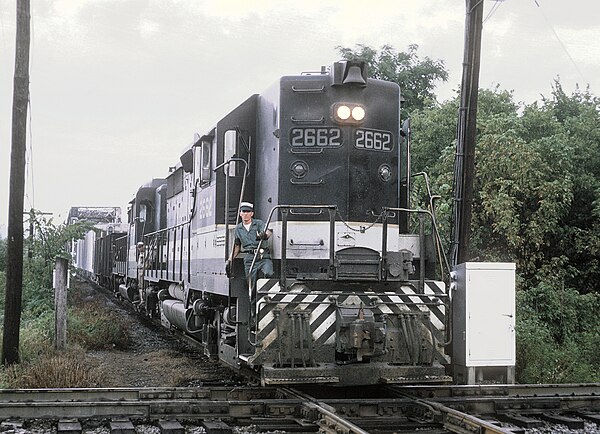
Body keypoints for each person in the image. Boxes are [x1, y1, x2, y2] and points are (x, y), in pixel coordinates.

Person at [227, 202, 274, 284]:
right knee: (250, 281)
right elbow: (237, 247)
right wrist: (229, 261)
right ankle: (252, 296)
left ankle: (266, 294)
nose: (246, 214)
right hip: (249, 258)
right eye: (243, 211)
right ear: (240, 213)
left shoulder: (259, 223)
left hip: (263, 256)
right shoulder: (238, 229)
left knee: (268, 273)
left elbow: (269, 232)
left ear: (252, 213)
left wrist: (264, 235)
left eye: (248, 212)